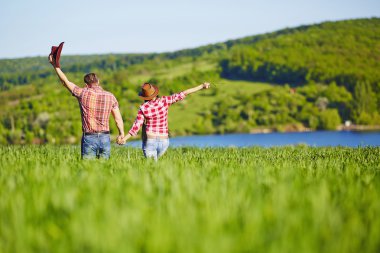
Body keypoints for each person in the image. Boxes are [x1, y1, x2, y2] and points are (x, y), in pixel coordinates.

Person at [48, 43, 124, 159]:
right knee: (106, 172)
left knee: (88, 173)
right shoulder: (111, 96)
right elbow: (118, 119)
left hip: (89, 138)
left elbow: (65, 82)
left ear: (86, 85)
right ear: (98, 82)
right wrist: (121, 134)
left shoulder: (82, 93)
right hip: (105, 137)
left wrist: (55, 66)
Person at [117, 82, 211, 160]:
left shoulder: (143, 108)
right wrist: (202, 86)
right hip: (164, 142)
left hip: (150, 141)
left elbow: (136, 127)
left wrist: (124, 139)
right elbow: (183, 93)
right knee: (156, 168)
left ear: (144, 97)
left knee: (151, 168)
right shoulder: (164, 101)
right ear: (155, 93)